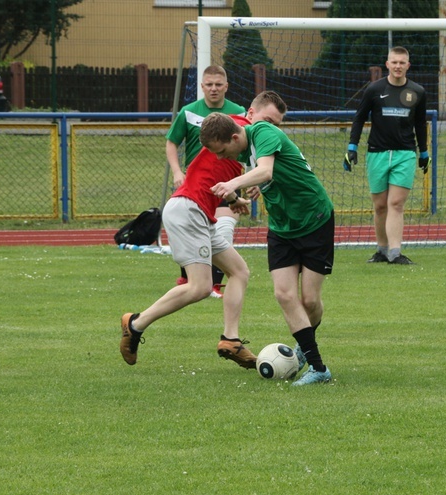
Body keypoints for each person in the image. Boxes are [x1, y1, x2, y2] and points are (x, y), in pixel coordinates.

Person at [120, 92, 288, 368]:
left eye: (277, 124)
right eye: (267, 120)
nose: (271, 127)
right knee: (199, 287)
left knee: (239, 271)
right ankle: (135, 324)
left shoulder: (249, 145)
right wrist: (258, 176)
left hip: (199, 212)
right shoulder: (236, 128)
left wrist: (235, 199)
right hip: (188, 209)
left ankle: (230, 340)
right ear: (249, 114)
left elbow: (217, 176)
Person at [203, 112, 334, 387]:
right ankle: (318, 366)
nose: (220, 158)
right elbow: (268, 176)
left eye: (222, 150)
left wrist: (234, 183)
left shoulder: (263, 132)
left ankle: (304, 346)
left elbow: (266, 171)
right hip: (282, 228)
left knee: (309, 301)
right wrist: (239, 195)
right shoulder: (242, 150)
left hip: (314, 220)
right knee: (284, 294)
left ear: (235, 136)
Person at [344, 46, 430, 265]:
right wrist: (352, 147)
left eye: (402, 62)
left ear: (408, 65)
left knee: (397, 203)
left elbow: (420, 124)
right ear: (388, 64)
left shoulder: (418, 91)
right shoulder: (374, 89)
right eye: (394, 62)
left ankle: (395, 252)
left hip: (405, 154)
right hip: (377, 153)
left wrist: (424, 152)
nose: (398, 66)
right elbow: (359, 118)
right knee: (380, 205)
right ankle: (382, 250)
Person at [165, 64, 246, 297]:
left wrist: (248, 182)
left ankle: (213, 284)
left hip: (226, 184)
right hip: (196, 185)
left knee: (223, 229)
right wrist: (177, 172)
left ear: (226, 87)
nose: (213, 89)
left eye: (218, 85)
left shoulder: (237, 113)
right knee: (195, 228)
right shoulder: (189, 111)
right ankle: (189, 277)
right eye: (209, 85)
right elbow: (172, 142)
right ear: (201, 86)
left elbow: (245, 149)